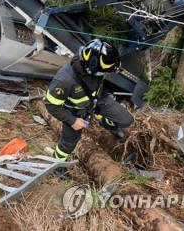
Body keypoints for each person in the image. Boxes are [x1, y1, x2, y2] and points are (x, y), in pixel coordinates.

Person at [45, 39, 134, 174]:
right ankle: (58, 167)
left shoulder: (97, 66)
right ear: (91, 67)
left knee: (126, 119)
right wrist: (72, 121)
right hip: (75, 112)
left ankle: (105, 122)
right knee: (67, 144)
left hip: (97, 99)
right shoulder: (64, 80)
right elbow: (51, 104)